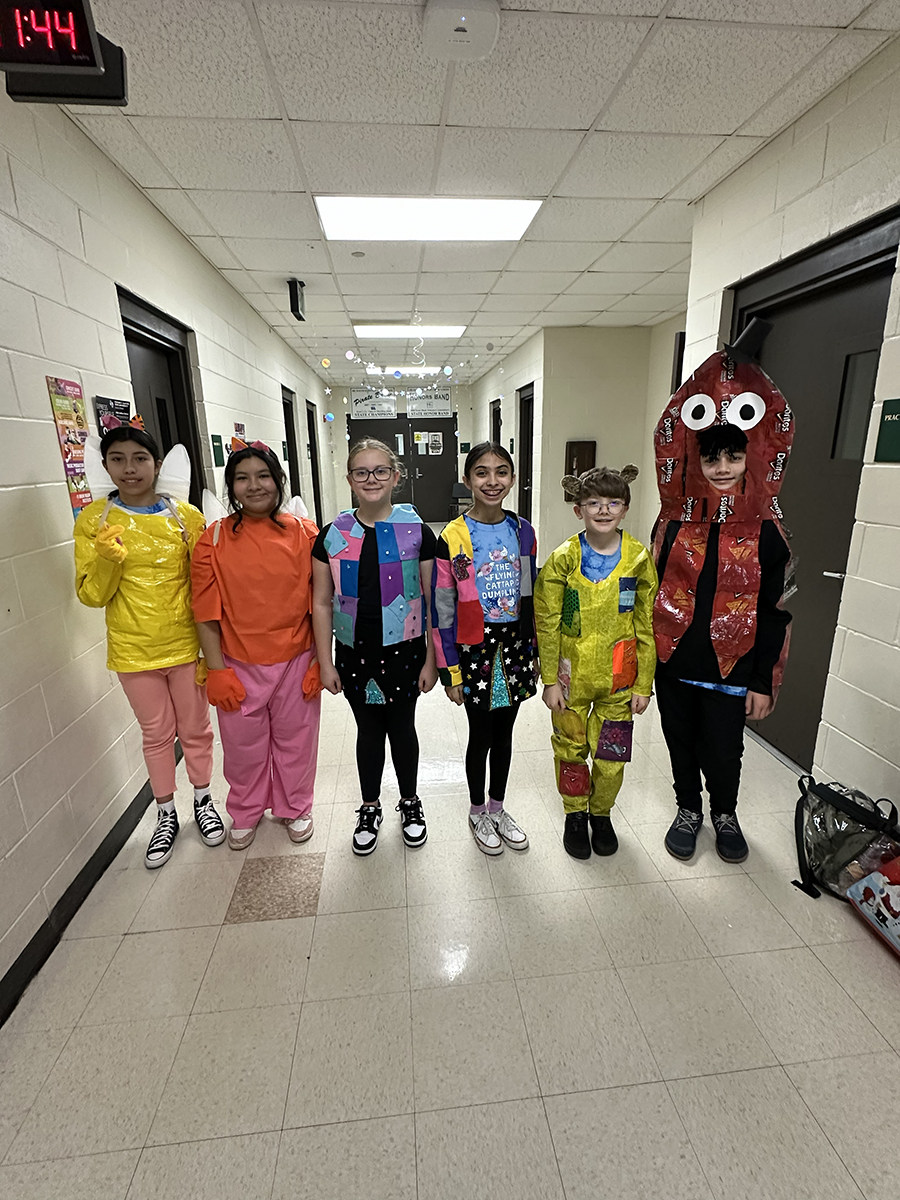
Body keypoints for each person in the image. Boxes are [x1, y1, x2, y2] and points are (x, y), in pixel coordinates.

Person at [652, 346, 794, 864]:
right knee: (679, 742)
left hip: (732, 670)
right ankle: (687, 808)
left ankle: (725, 813)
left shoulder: (769, 534)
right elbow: (651, 594)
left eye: (733, 457)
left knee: (724, 749)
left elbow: (776, 613)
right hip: (674, 664)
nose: (721, 468)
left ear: (750, 459)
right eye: (711, 458)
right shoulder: (672, 525)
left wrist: (764, 681)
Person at [74, 424, 222, 869]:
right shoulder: (95, 520)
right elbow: (91, 595)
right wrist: (107, 561)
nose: (129, 469)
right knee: (156, 734)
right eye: (117, 459)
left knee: (196, 729)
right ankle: (165, 813)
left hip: (186, 645)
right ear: (105, 466)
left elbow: (206, 583)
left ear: (156, 464)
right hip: (133, 651)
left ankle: (203, 800)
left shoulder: (185, 517)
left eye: (139, 458)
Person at [191, 441, 321, 850]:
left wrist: (321, 659)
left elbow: (322, 603)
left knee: (297, 740)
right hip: (238, 661)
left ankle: (296, 806)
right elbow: (205, 611)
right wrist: (216, 670)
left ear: (278, 480)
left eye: (263, 476)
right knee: (242, 746)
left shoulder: (305, 534)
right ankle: (245, 810)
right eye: (242, 478)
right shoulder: (213, 539)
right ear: (231, 486)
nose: (254, 486)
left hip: (297, 657)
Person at [312, 438, 438, 855]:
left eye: (381, 470)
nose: (371, 479)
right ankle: (369, 806)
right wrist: (325, 662)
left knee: (402, 729)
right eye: (361, 472)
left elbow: (432, 599)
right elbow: (320, 602)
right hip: (354, 652)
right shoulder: (332, 535)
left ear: (396, 476)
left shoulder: (417, 533)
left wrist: (432, 659)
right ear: (349, 479)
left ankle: (410, 801)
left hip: (405, 652)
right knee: (368, 732)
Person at [534, 466, 657, 859]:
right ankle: (575, 813)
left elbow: (646, 623)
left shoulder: (638, 558)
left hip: (620, 678)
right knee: (570, 747)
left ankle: (601, 814)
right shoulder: (563, 559)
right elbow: (547, 621)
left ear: (625, 509)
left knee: (611, 753)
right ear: (578, 510)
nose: (604, 510)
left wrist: (644, 683)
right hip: (570, 676)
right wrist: (549, 679)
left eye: (613, 503)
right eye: (593, 503)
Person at [432, 442, 537, 856]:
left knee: (505, 734)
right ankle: (477, 811)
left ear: (512, 479)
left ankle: (498, 807)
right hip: (474, 647)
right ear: (467, 480)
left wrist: (534, 648)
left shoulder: (523, 531)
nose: (492, 481)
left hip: (515, 645)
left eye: (501, 472)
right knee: (481, 735)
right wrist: (450, 670)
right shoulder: (452, 536)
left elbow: (529, 592)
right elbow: (443, 609)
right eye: (481, 472)